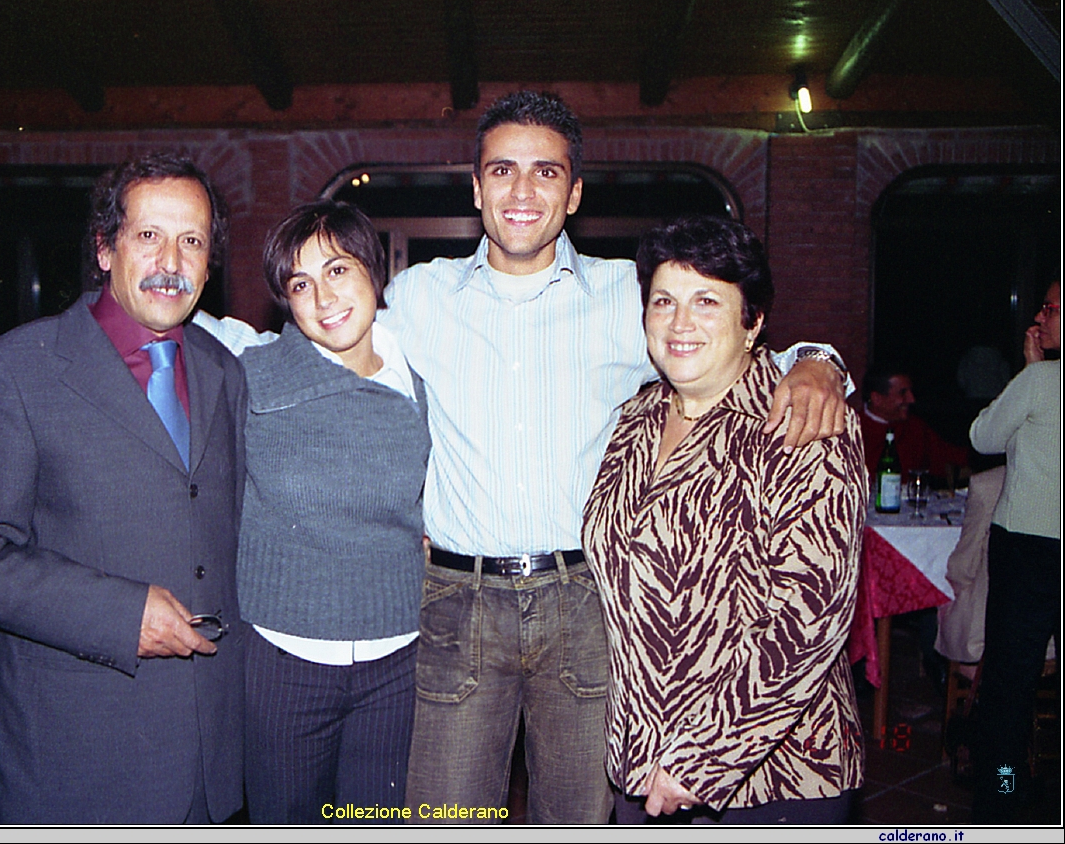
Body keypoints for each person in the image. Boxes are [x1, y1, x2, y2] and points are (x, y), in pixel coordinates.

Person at [384, 91, 849, 824]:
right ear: (475, 187)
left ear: (574, 193)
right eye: (502, 169)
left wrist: (820, 361)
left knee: (580, 821)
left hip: (587, 602)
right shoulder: (416, 296)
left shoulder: (626, 299)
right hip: (456, 597)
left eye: (546, 172)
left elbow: (728, 343)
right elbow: (331, 346)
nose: (522, 190)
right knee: (441, 821)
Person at [0, 152, 247, 824]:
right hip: (83, 762)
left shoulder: (223, 372)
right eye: (149, 235)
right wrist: (119, 613)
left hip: (210, 760)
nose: (173, 261)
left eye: (192, 241)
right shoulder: (17, 370)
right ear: (104, 248)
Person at [584, 215, 866, 824]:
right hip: (641, 763)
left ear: (754, 321)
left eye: (706, 300)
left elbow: (806, 621)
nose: (680, 323)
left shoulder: (801, 422)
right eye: (664, 301)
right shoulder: (636, 417)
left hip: (772, 780)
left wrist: (701, 759)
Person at [238, 201, 430, 823]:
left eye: (338, 270)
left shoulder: (422, 378)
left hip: (397, 663)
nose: (324, 298)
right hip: (282, 659)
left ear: (374, 272)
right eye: (301, 283)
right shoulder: (251, 380)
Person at [969, 280, 1061, 823]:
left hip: (1028, 548)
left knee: (1011, 680)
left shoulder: (1042, 382)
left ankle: (1003, 797)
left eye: (1051, 308)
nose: (1040, 315)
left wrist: (1030, 371)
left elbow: (983, 436)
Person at [859, 365, 968, 482]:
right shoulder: (853, 429)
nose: (911, 399)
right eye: (903, 393)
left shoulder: (915, 427)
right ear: (877, 399)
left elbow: (949, 458)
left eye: (910, 392)